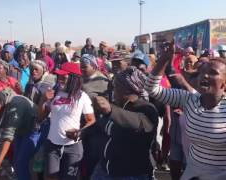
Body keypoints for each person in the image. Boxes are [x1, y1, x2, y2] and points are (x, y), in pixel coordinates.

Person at [145, 41, 226, 180]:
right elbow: (152, 89)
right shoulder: (189, 99)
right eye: (203, 72)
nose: (205, 76)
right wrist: (164, 59)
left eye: (212, 73)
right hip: (191, 175)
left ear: (224, 83)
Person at [91, 67, 158, 180]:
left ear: (127, 89)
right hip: (104, 169)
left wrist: (110, 110)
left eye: (116, 87)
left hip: (131, 174)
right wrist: (82, 132)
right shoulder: (117, 105)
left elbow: (139, 123)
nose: (113, 90)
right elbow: (102, 126)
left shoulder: (146, 108)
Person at [38, 62, 96, 180]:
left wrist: (80, 132)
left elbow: (91, 120)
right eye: (58, 76)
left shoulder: (82, 96)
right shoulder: (54, 94)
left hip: (73, 147)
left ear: (73, 78)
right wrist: (43, 99)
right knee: (51, 177)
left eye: (63, 77)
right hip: (52, 146)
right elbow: (41, 117)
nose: (60, 79)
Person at [80, 54, 110, 180]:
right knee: (83, 158)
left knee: (93, 158)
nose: (81, 69)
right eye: (80, 67)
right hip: (81, 125)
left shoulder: (103, 82)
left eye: (84, 66)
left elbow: (107, 104)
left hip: (96, 127)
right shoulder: (81, 79)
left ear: (93, 65)